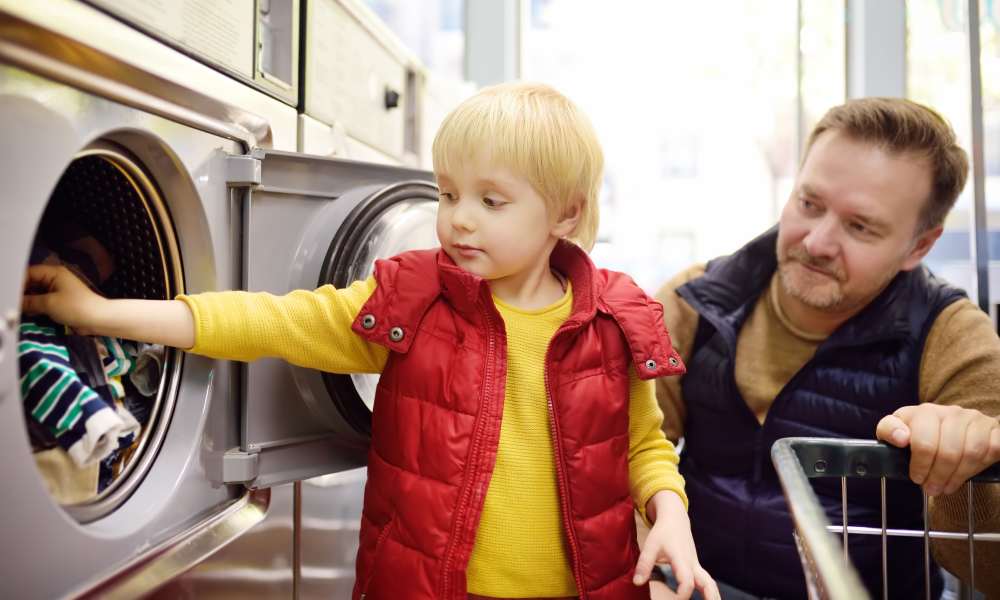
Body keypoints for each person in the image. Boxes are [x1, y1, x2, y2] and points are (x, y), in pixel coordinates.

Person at [22, 82, 720, 600]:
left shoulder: (613, 321)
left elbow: (644, 445)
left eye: (490, 200)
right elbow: (269, 319)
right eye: (447, 194)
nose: (458, 221)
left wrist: (669, 513)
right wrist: (104, 312)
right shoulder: (411, 303)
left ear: (564, 214)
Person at [648, 97, 1000, 599]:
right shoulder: (696, 300)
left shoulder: (953, 336)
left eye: (860, 226)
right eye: (809, 204)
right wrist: (639, 582)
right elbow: (613, 460)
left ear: (919, 246)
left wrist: (968, 471)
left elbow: (988, 567)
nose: (816, 242)